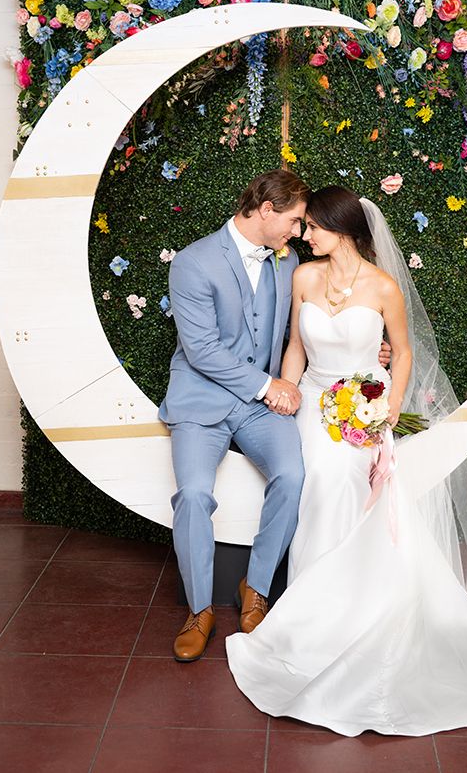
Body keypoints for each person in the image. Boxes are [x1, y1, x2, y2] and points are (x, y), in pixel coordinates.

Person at [226, 186, 467, 736]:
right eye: (303, 226)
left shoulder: (383, 286)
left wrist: (385, 413)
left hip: (364, 400)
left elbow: (402, 352)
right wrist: (286, 394)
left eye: (312, 227)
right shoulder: (303, 278)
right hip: (312, 402)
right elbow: (294, 345)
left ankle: (358, 609)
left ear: (343, 230)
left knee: (355, 480)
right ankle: (314, 611)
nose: (303, 235)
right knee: (315, 479)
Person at [159, 171, 390, 662]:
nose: (297, 232)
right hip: (204, 401)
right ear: (265, 209)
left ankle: (256, 586)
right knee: (195, 495)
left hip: (262, 406)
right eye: (292, 221)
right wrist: (270, 386)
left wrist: (369, 349)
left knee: (293, 475)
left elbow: (310, 329)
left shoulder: (290, 265)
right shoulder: (194, 262)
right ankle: (200, 609)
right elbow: (200, 349)